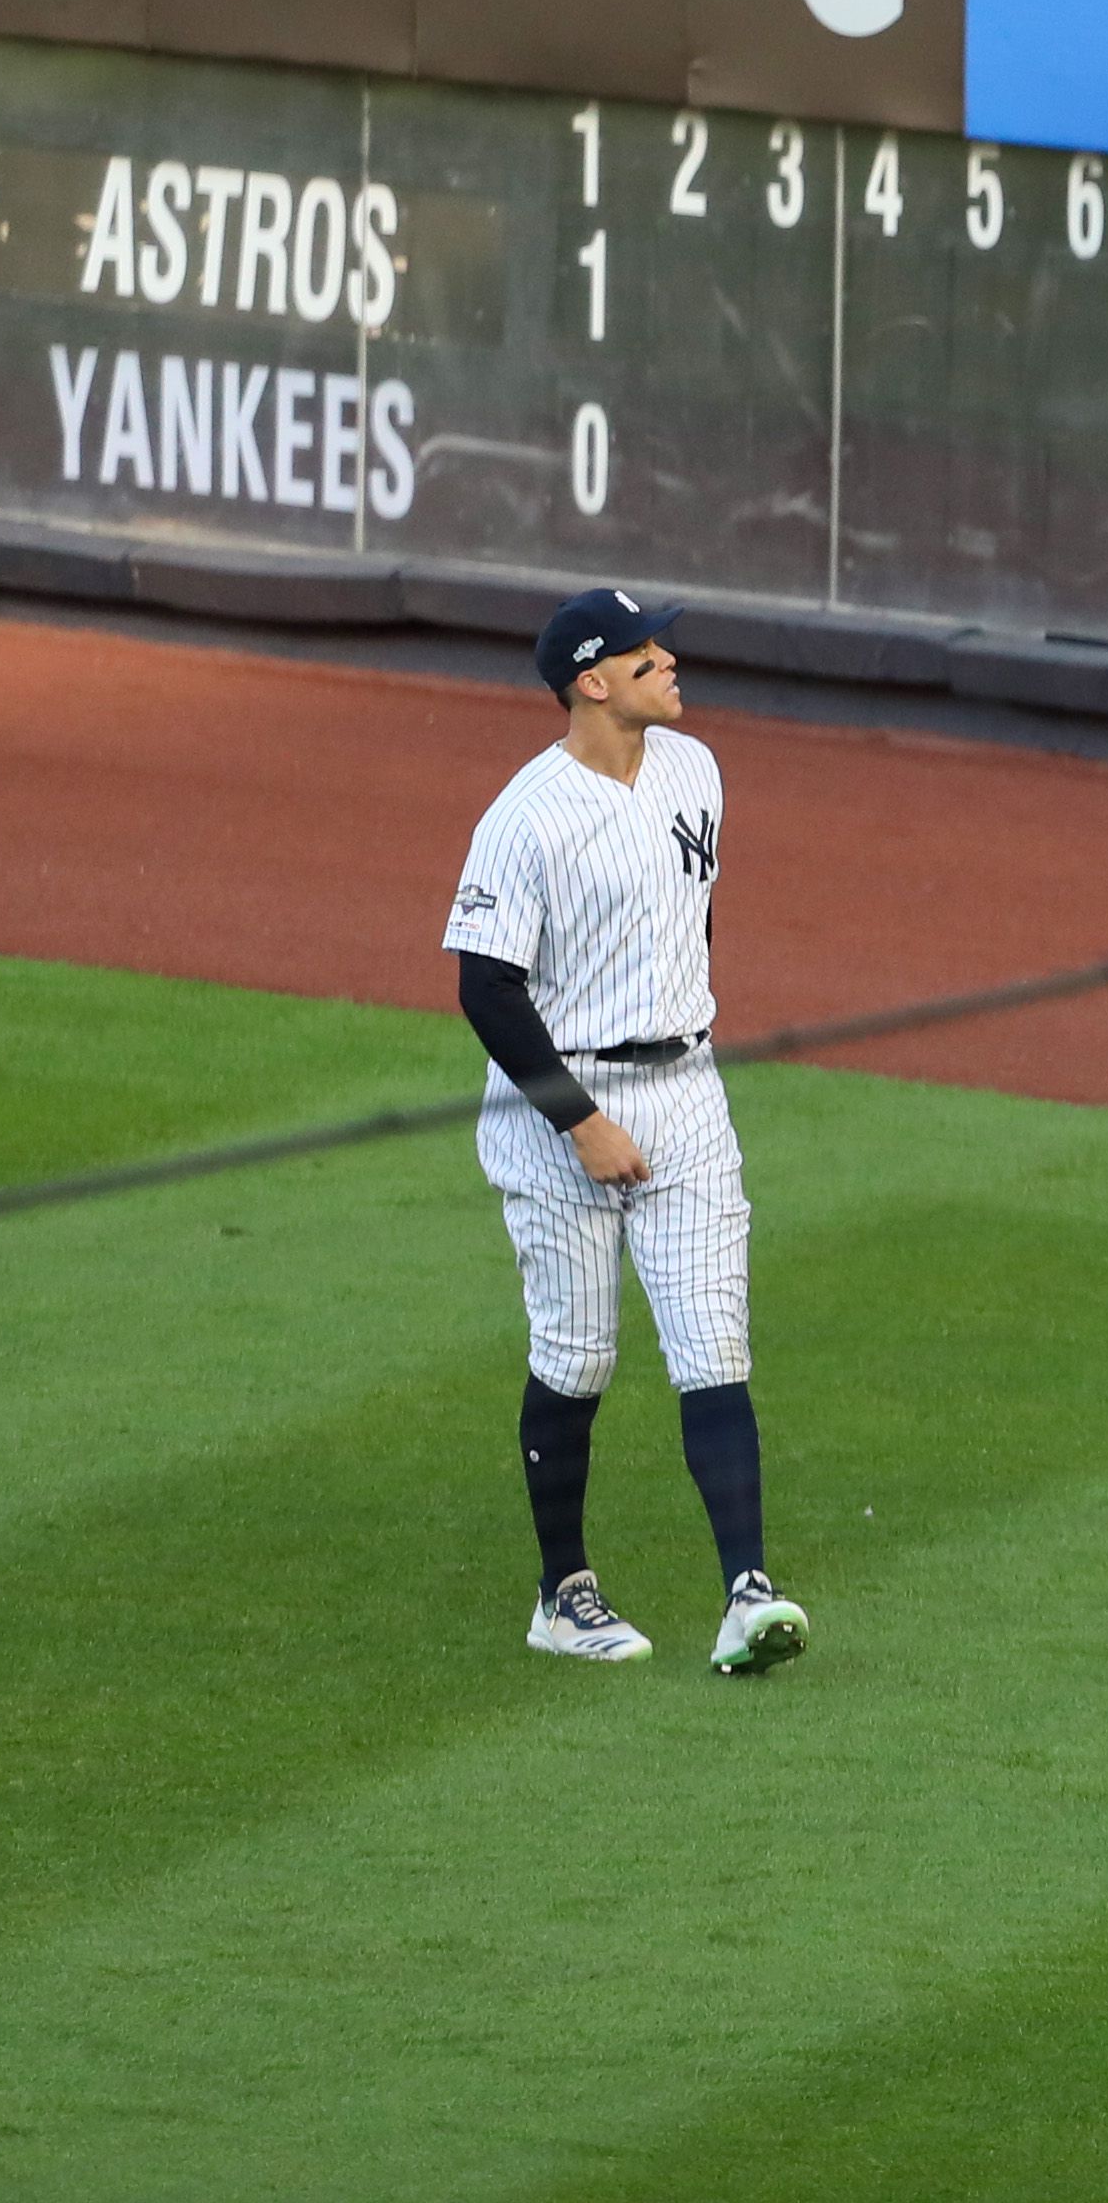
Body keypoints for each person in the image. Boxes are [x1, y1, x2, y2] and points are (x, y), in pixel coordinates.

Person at [449, 591, 802, 1680]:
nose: (672, 661)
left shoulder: (697, 770)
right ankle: (563, 1594)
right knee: (577, 1353)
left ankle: (747, 1591)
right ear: (591, 681)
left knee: (714, 1342)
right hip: (560, 1108)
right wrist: (584, 1120)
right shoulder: (525, 817)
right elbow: (485, 989)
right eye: (647, 655)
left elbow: (688, 916)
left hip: (687, 1090)